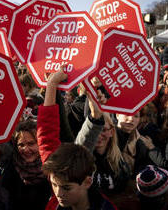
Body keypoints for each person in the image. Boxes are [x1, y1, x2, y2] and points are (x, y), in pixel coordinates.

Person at [37, 67, 116, 210]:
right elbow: (46, 134)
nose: (58, 193)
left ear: (87, 182)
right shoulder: (54, 203)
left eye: (66, 188)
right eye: (54, 185)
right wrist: (51, 85)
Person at [1, 120, 50, 210]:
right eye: (21, 145)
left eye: (31, 143)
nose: (26, 149)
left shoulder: (52, 168)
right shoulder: (10, 169)